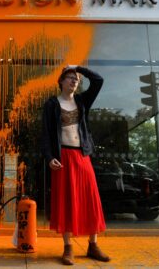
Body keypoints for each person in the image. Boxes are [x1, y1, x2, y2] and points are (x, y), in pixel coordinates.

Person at [41, 65, 110, 265]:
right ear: (61, 82)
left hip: (82, 155)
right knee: (66, 201)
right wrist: (49, 157)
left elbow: (98, 80)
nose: (74, 81)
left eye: (76, 79)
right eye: (70, 78)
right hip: (63, 157)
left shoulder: (82, 101)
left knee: (90, 198)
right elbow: (46, 135)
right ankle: (68, 247)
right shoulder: (51, 104)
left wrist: (78, 68)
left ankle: (93, 245)